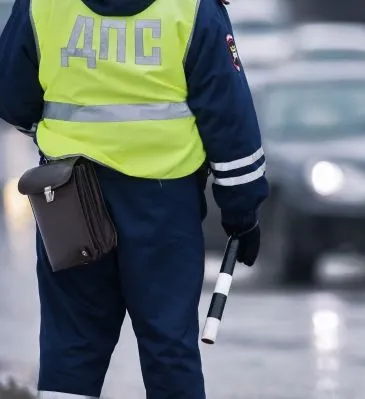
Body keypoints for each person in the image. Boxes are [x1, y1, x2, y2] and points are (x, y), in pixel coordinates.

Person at [0, 0, 268, 396]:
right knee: (168, 346)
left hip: (69, 196)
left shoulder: (42, 4)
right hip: (163, 202)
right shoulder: (192, 8)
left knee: (72, 345)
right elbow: (227, 115)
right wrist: (242, 209)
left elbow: (11, 97)